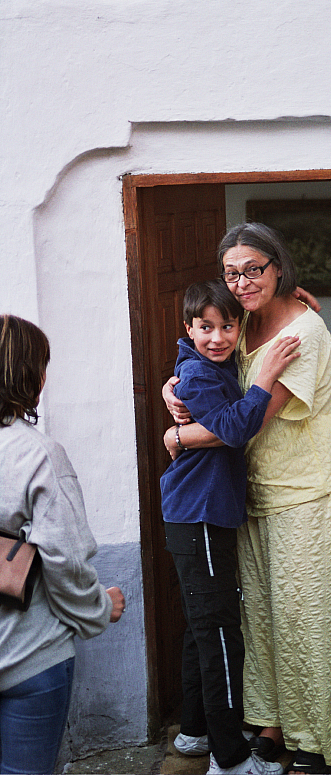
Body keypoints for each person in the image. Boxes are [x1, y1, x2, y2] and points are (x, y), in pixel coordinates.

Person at [163, 224, 331, 775]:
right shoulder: (241, 321)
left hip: (306, 490)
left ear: (279, 268)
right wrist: (171, 388)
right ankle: (272, 722)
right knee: (263, 617)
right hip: (251, 492)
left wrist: (177, 436)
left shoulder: (306, 332)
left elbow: (245, 422)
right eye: (232, 272)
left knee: (306, 616)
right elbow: (197, 348)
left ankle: (311, 736)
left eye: (253, 269)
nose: (242, 281)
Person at [161, 280, 300, 775]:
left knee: (202, 630)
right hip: (198, 513)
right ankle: (232, 759)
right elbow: (237, 427)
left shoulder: (204, 366)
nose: (217, 337)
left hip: (202, 512)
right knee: (220, 634)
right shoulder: (196, 376)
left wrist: (296, 301)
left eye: (227, 326)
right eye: (205, 327)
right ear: (188, 328)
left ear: (239, 327)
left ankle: (196, 731)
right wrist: (266, 376)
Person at [0, 315, 125, 775]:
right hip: (28, 659)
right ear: (28, 375)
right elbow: (65, 560)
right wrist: (98, 608)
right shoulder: (37, 455)